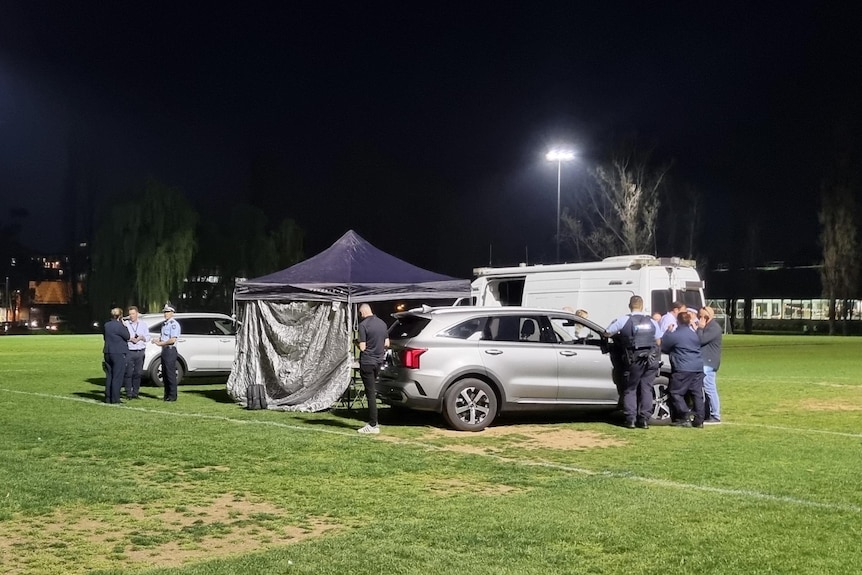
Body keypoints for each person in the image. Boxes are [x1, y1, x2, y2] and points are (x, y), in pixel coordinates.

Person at [605, 295, 660, 429]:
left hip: (634, 359)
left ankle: (631, 419)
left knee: (631, 389)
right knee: (646, 388)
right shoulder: (652, 321)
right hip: (651, 359)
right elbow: (658, 341)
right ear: (642, 305)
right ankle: (644, 419)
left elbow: (607, 333)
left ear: (630, 306)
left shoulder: (624, 320)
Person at [661, 311, 705, 427]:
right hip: (698, 367)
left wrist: (667, 332)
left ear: (678, 321)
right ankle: (699, 420)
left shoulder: (676, 334)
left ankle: (685, 416)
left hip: (683, 367)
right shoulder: (694, 334)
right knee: (697, 393)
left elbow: (664, 346)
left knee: (675, 392)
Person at [356, 303, 389, 434]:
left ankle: (373, 424)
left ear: (362, 312)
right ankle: (374, 422)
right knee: (372, 391)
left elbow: (363, 347)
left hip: (367, 362)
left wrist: (356, 343)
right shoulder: (382, 323)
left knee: (370, 393)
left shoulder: (363, 325)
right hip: (378, 361)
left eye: (360, 314)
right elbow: (387, 343)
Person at [698, 306, 723, 424]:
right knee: (705, 388)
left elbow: (700, 340)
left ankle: (715, 415)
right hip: (706, 361)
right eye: (700, 316)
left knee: (709, 388)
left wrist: (699, 328)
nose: (701, 319)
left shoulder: (714, 328)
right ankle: (708, 413)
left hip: (708, 361)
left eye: (704, 316)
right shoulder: (710, 327)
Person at [153, 304, 181, 401]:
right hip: (164, 350)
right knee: (164, 373)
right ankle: (167, 394)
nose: (165, 314)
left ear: (172, 313)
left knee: (170, 373)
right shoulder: (164, 324)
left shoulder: (174, 324)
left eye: (168, 312)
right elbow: (163, 337)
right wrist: (157, 340)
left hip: (170, 350)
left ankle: (172, 395)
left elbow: (172, 339)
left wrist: (162, 343)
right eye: (165, 312)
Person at [103, 307, 130, 404]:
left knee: (109, 375)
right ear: (120, 316)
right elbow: (127, 336)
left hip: (108, 352)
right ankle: (115, 398)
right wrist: (124, 325)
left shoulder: (107, 325)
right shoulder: (119, 326)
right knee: (117, 376)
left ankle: (108, 397)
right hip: (118, 353)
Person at [123, 306, 149, 399]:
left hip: (140, 351)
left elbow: (148, 337)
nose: (132, 316)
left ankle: (135, 393)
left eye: (133, 314)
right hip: (130, 351)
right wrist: (130, 339)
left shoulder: (143, 324)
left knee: (138, 373)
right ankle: (128, 393)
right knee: (129, 372)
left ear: (137, 314)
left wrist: (142, 338)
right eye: (130, 314)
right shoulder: (126, 324)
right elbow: (123, 336)